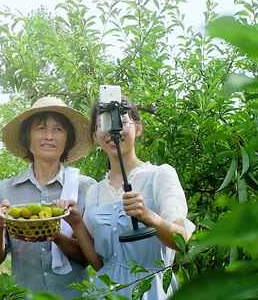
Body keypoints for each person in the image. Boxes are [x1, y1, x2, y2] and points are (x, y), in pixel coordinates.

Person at [59, 97, 196, 299]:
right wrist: (77, 224)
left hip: (154, 291)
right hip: (106, 293)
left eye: (121, 122)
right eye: (102, 125)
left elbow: (181, 240)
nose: (112, 131)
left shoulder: (160, 175)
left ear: (138, 127)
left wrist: (149, 217)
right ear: (95, 137)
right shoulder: (94, 192)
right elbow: (99, 264)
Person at [0, 96, 97, 299]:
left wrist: (55, 235)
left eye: (58, 129)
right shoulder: (5, 190)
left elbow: (90, 259)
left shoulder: (84, 188)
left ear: (67, 140)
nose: (49, 136)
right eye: (40, 128)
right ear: (28, 139)